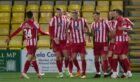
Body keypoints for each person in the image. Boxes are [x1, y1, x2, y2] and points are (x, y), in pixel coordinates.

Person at [5, 11, 49, 79]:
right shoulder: (35, 23)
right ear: (32, 16)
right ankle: (24, 72)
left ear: (27, 16)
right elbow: (41, 32)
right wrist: (48, 33)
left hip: (27, 43)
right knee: (29, 58)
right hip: (33, 44)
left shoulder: (23, 23)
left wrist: (10, 36)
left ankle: (38, 74)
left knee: (33, 59)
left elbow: (17, 31)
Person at [67, 10, 90, 79]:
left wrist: (88, 37)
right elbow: (66, 30)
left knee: (83, 58)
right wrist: (69, 38)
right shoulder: (70, 22)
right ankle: (78, 69)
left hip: (82, 42)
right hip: (74, 43)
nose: (74, 15)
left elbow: (87, 28)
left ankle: (83, 74)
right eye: (73, 14)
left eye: (75, 14)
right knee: (73, 58)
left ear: (78, 14)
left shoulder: (83, 20)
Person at [111, 9, 133, 79]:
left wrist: (121, 29)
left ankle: (114, 73)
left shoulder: (119, 20)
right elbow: (131, 27)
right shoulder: (125, 19)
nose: (113, 15)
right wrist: (124, 30)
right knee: (123, 56)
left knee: (115, 56)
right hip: (124, 40)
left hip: (119, 41)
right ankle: (129, 72)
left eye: (114, 13)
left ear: (118, 14)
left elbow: (118, 30)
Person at [91, 11, 112, 78]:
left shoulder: (105, 22)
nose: (94, 17)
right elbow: (93, 34)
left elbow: (110, 31)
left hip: (104, 43)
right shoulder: (93, 24)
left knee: (104, 58)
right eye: (93, 16)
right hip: (96, 43)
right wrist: (88, 34)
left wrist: (110, 39)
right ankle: (98, 73)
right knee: (96, 59)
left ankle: (105, 73)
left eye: (95, 16)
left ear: (99, 15)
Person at [49, 8, 69, 78]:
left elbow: (69, 27)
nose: (59, 13)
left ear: (62, 12)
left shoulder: (66, 19)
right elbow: (50, 30)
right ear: (56, 12)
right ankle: (60, 72)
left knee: (66, 56)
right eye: (57, 12)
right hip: (56, 42)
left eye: (60, 12)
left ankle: (66, 69)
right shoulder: (53, 19)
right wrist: (54, 38)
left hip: (63, 41)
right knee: (58, 57)